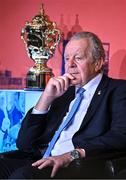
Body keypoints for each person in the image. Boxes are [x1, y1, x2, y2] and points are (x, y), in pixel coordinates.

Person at [0, 31, 126, 179]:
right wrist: (46, 98)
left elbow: (120, 135)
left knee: (24, 176)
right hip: (40, 161)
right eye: (67, 58)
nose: (70, 64)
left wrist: (73, 154)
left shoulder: (118, 90)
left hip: (75, 168)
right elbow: (24, 143)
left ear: (98, 63)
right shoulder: (63, 93)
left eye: (78, 58)